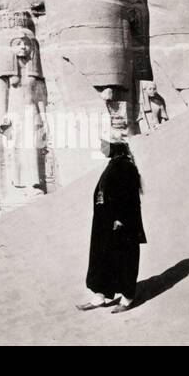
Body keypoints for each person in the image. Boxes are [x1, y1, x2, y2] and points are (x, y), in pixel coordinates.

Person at [77, 131, 146, 313]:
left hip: (121, 224)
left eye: (104, 144)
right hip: (105, 223)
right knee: (102, 258)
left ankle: (127, 298)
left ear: (114, 146)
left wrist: (120, 218)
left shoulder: (126, 166)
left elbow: (129, 197)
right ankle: (99, 296)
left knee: (124, 259)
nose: (101, 148)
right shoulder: (114, 164)